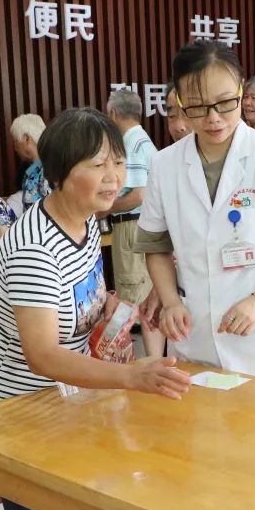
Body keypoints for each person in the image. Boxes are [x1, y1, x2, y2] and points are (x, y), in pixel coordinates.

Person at [0, 107, 190, 510]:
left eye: (117, 162)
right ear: (57, 173)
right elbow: (43, 354)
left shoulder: (86, 222)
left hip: (65, 400)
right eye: (97, 165)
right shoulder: (35, 248)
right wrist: (132, 376)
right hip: (22, 410)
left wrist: (114, 307)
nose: (113, 177)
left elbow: (80, 298)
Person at [135, 40, 255, 385]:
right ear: (179, 103)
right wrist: (170, 301)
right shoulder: (165, 165)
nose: (213, 118)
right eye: (197, 107)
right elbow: (156, 246)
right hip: (195, 335)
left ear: (241, 89)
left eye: (225, 103)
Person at [105, 89, 162, 353]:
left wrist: (104, 210)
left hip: (131, 225)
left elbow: (139, 194)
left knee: (130, 298)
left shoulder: (132, 143)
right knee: (147, 298)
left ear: (113, 113)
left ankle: (125, 360)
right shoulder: (144, 141)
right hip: (144, 225)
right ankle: (152, 360)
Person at [10, 113, 49, 211]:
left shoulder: (50, 169)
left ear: (26, 138)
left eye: (15, 141)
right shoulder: (33, 167)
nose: (15, 147)